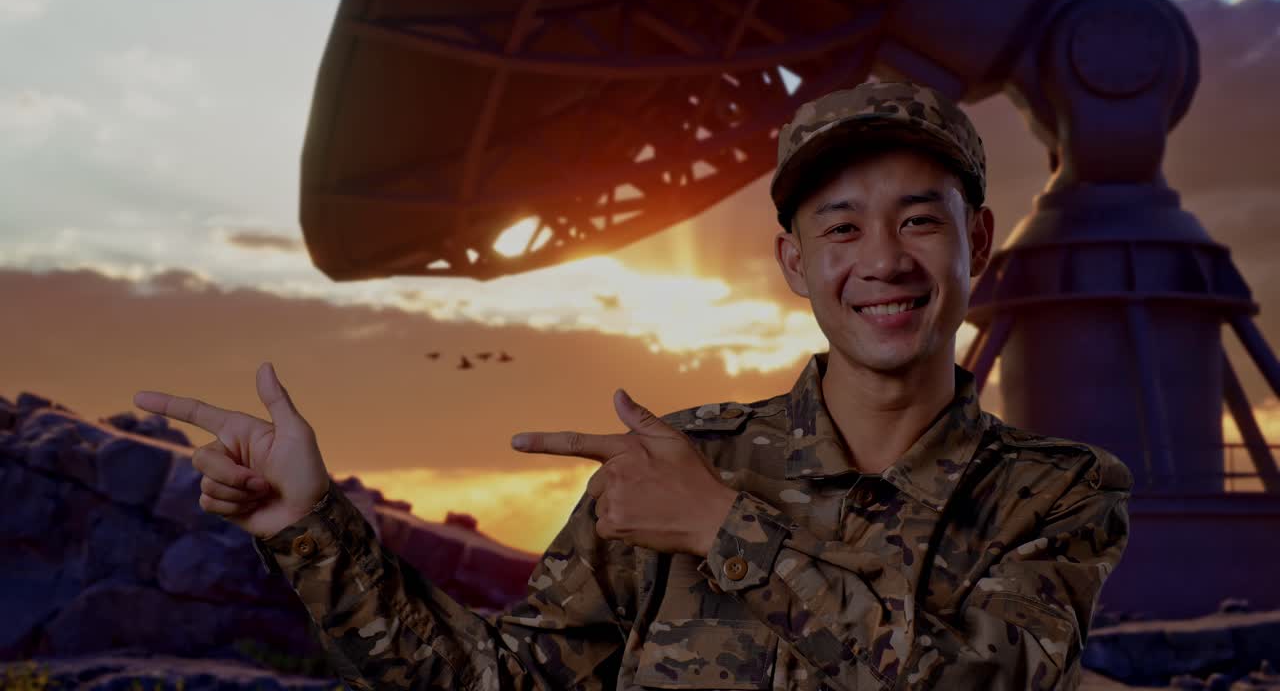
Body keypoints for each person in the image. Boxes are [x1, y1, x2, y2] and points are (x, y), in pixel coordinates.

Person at [134, 80, 1132, 690]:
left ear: (979, 245)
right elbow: (500, 685)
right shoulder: (671, 462)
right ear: (791, 262)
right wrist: (313, 528)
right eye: (839, 227)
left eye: (919, 220)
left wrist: (722, 533)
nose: (881, 258)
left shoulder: (1056, 493)